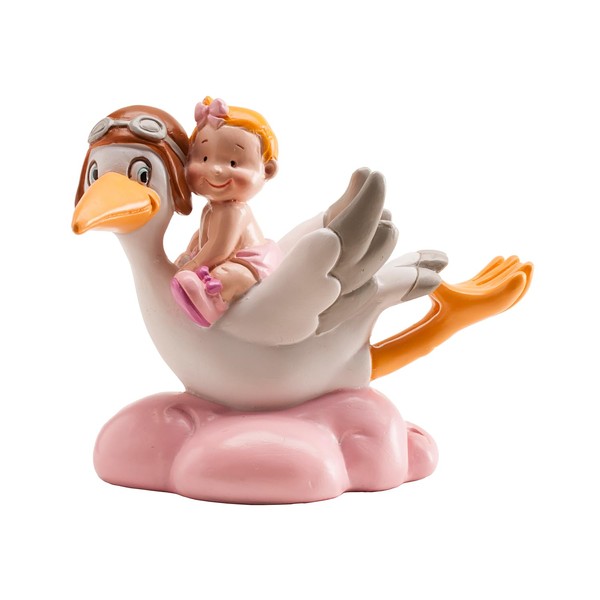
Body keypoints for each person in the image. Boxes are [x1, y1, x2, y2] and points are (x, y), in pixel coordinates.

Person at [171, 97, 281, 327]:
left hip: (250, 263)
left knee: (230, 275)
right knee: (207, 266)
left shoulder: (234, 212)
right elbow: (204, 235)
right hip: (220, 256)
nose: (215, 169)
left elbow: (220, 248)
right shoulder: (213, 208)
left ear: (267, 170)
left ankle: (212, 304)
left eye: (233, 163)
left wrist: (192, 266)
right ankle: (196, 287)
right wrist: (192, 252)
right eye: (203, 158)